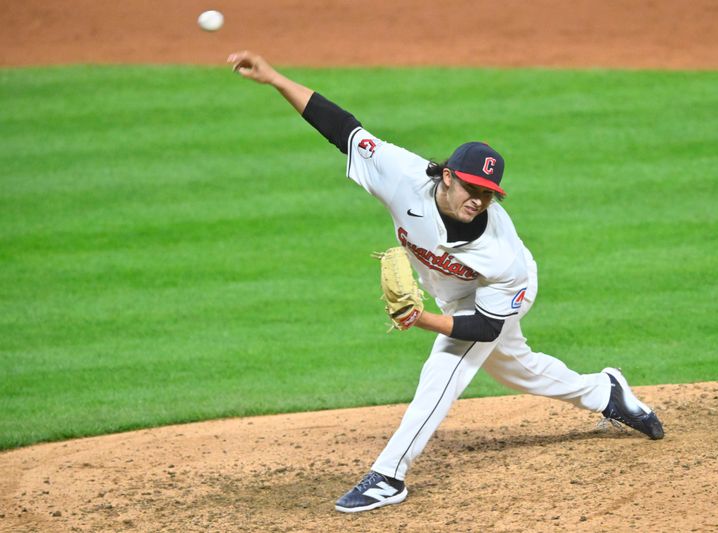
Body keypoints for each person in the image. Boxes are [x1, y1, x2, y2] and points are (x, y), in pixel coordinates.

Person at [227, 50, 665, 514]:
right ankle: (605, 391)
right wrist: (275, 78)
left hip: (495, 299)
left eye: (488, 194)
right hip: (451, 292)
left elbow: (484, 328)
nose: (478, 200)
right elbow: (342, 129)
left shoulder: (503, 253)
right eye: (472, 188)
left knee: (443, 372)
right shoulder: (402, 175)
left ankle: (388, 475)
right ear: (448, 176)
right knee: (515, 367)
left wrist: (422, 320)